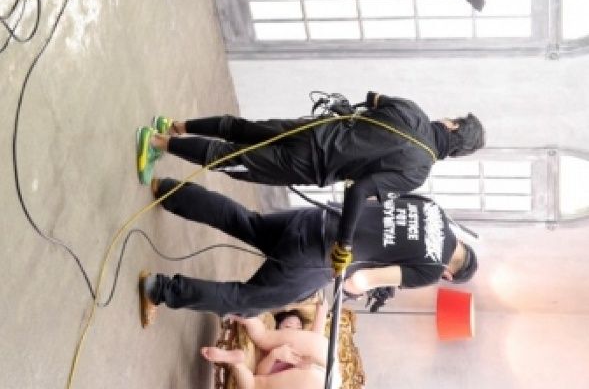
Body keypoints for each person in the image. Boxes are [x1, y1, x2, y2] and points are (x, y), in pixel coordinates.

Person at [137, 95, 485, 270]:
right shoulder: (417, 172)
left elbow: (372, 99)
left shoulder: (414, 111)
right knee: (233, 158)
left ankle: (176, 126)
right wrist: (344, 245)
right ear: (455, 152)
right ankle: (156, 142)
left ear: (452, 125)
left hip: (313, 130)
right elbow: (360, 190)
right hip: (312, 164)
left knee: (243, 129)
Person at [138, 179, 478, 324]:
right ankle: (159, 289)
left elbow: (374, 200)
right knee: (246, 301)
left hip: (318, 217)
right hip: (317, 257)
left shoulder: (433, 209)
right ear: (450, 275)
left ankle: (170, 190)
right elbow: (360, 281)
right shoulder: (431, 269)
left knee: (247, 222)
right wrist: (357, 290)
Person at [200, 300, 329, 389]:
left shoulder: (301, 341)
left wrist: (275, 354)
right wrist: (274, 354)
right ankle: (237, 363)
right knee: (255, 385)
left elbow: (315, 338)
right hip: (326, 374)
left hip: (323, 360)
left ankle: (235, 310)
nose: (294, 330)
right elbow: (316, 340)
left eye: (299, 328)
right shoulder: (281, 345)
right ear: (278, 327)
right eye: (288, 327)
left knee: (263, 335)